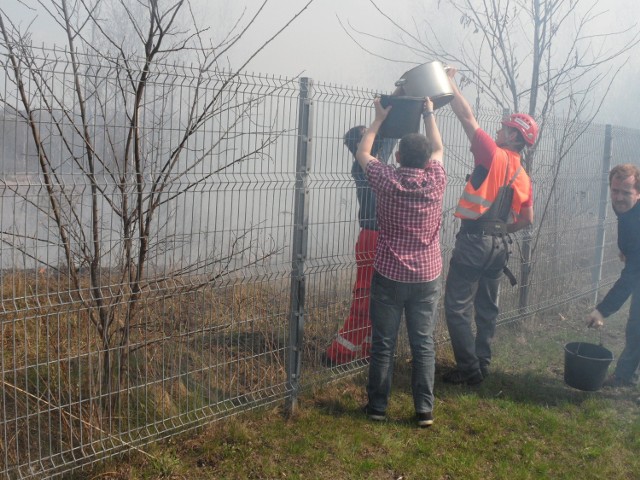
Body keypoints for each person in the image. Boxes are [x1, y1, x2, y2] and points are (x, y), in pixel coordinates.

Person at [442, 66, 537, 385]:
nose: (499, 129)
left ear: (513, 136)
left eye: (504, 127)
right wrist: (501, 231)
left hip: (473, 243)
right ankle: (482, 363)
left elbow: (466, 116)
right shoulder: (523, 175)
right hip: (499, 248)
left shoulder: (492, 153)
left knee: (456, 308)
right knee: (487, 308)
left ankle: (469, 371)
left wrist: (449, 82)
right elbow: (526, 220)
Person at [357, 96, 446, 427]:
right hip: (426, 276)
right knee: (423, 344)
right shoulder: (435, 179)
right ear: (426, 161)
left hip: (389, 274)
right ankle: (424, 410)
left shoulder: (386, 179)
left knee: (383, 343)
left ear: (397, 156)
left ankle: (378, 407)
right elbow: (438, 147)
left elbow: (363, 153)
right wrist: (429, 114)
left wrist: (378, 120)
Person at [322, 126, 396, 365]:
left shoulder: (378, 162)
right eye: (368, 135)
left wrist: (400, 98)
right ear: (359, 146)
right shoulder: (364, 166)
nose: (376, 138)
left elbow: (391, 135)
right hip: (373, 237)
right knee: (366, 296)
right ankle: (338, 354)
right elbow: (390, 138)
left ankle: (369, 350)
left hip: (386, 236)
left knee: (383, 298)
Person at [586, 163, 640, 387]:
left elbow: (630, 279)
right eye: (615, 191)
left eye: (626, 193)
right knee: (636, 325)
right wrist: (628, 252)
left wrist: (602, 311)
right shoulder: (629, 213)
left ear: (638, 193)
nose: (618, 198)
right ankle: (624, 376)